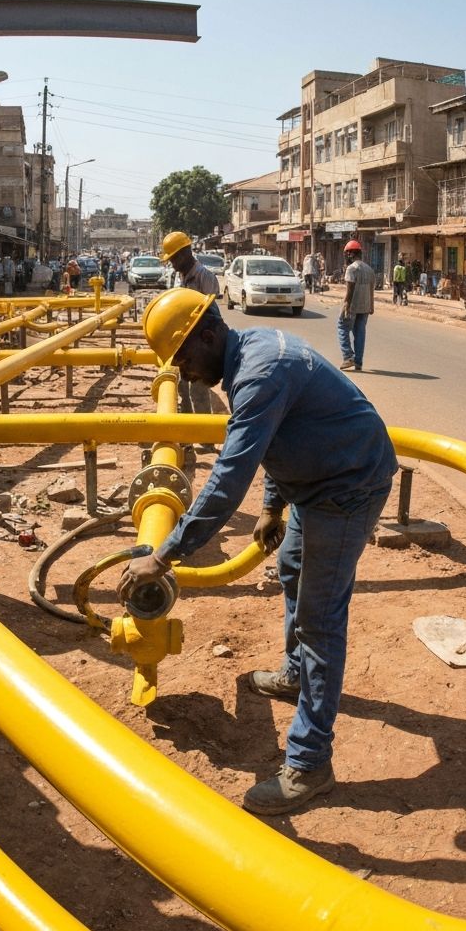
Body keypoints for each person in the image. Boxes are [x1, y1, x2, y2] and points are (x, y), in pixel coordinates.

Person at [117, 288, 397, 815]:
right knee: (291, 567)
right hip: (317, 480)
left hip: (349, 486)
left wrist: (165, 554)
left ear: (207, 334)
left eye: (183, 359)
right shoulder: (248, 358)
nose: (185, 373)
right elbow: (280, 436)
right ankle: (295, 675)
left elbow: (229, 477)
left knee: (320, 621)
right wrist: (272, 506)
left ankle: (311, 764)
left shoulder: (262, 371)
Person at [158, 230, 218, 418]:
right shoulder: (180, 276)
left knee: (198, 391)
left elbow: (211, 314)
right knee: (181, 390)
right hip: (182, 344)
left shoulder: (204, 276)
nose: (173, 265)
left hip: (200, 344)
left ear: (185, 254)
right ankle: (186, 435)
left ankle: (205, 436)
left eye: (174, 259)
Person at [337, 239, 375, 372]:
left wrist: (346, 304)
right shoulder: (369, 269)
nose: (347, 256)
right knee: (360, 332)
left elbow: (350, 289)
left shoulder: (351, 268)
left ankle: (348, 356)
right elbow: (371, 289)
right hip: (365, 306)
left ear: (350, 254)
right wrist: (371, 306)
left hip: (353, 306)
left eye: (347, 254)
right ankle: (358, 362)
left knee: (342, 326)